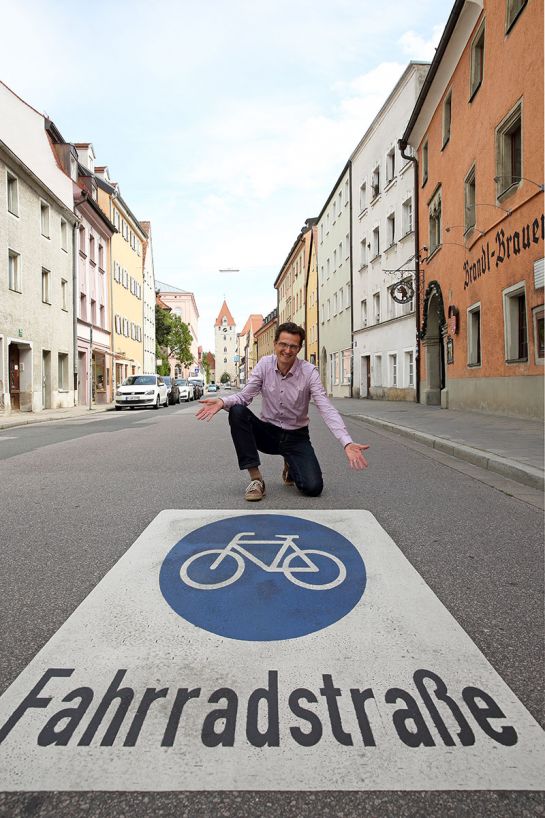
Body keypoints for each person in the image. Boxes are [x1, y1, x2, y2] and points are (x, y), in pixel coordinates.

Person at [196, 322, 369, 501]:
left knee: (313, 488)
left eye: (293, 346)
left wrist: (347, 442)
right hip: (267, 433)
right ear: (275, 344)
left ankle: (290, 463)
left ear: (299, 348)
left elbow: (325, 407)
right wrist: (222, 401)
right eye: (283, 344)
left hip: (296, 436)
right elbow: (244, 397)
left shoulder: (309, 372)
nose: (287, 350)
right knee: (237, 411)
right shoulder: (264, 365)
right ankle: (256, 480)